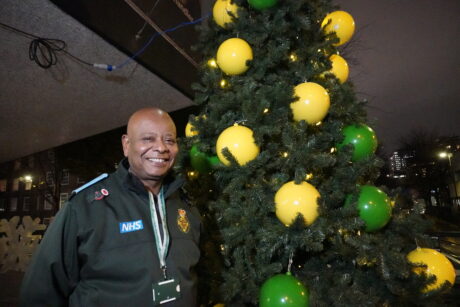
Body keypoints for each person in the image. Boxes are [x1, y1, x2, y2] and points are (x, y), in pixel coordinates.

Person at [20, 108, 201, 306]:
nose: (161, 147)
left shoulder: (186, 205)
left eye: (169, 140)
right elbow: (40, 292)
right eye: (148, 139)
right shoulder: (85, 207)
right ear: (126, 144)